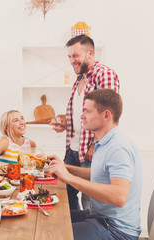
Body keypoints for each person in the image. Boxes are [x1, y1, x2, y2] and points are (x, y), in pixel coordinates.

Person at [48, 89, 142, 240]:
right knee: (50, 217)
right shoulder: (104, 142)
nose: (81, 116)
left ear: (106, 115)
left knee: (51, 235)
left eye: (87, 111)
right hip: (100, 218)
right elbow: (98, 173)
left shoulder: (118, 147)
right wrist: (65, 167)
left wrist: (68, 178)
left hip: (116, 230)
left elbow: (119, 196)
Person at [52, 34, 120, 210]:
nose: (72, 61)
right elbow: (85, 114)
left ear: (90, 53)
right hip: (73, 149)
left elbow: (109, 114)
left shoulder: (104, 74)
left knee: (89, 202)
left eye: (75, 55)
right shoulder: (80, 78)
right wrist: (66, 124)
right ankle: (73, 232)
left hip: (90, 151)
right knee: (67, 195)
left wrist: (95, 144)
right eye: (69, 56)